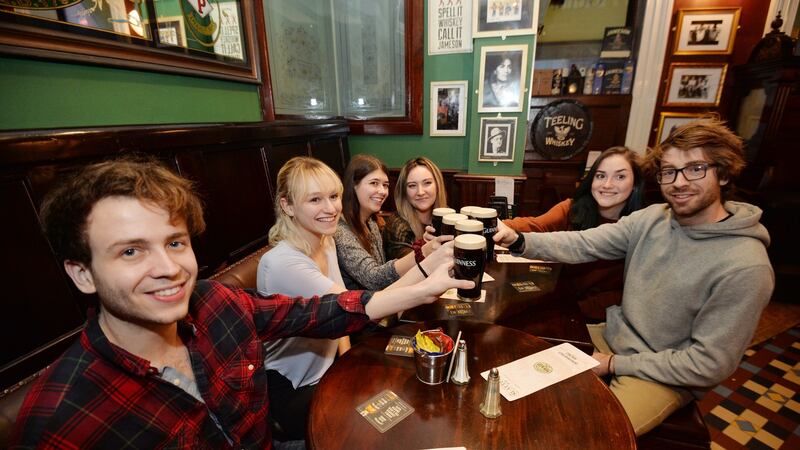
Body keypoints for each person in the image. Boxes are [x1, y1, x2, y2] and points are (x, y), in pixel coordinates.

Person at [11, 155, 471, 448]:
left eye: (175, 243)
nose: (167, 267)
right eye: (130, 251)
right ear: (82, 273)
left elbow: (320, 311)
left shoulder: (215, 304)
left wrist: (425, 285)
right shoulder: (59, 419)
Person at [494, 119, 774, 436]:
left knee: (578, 437)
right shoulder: (653, 218)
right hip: (613, 336)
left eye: (695, 168)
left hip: (662, 374)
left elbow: (709, 364)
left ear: (723, 173)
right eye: (669, 171)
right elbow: (584, 242)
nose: (679, 182)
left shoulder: (746, 266)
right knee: (518, 370)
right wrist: (518, 241)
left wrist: (614, 364)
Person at [259, 156, 453, 442]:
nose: (330, 209)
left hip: (329, 370)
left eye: (334, 197)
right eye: (315, 200)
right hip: (293, 387)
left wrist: (346, 364)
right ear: (287, 205)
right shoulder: (281, 263)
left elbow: (348, 313)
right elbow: (359, 309)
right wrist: (426, 280)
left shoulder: (325, 242)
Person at [503, 146, 645, 321]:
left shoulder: (642, 227)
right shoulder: (573, 208)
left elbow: (628, 296)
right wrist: (491, 224)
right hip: (561, 302)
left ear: (635, 184)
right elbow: (536, 225)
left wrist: (572, 311)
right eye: (600, 176)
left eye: (620, 176)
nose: (607, 185)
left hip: (602, 318)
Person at [335, 155, 451, 290]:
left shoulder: (371, 222)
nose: (382, 191)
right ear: (353, 185)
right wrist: (422, 251)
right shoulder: (341, 231)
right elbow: (374, 280)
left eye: (385, 185)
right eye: (374, 183)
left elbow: (382, 270)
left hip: (386, 299)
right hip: (361, 307)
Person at [383, 156, 448, 260]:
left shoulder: (448, 218)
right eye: (412, 186)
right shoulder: (397, 226)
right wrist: (425, 246)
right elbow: (406, 269)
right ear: (404, 192)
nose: (420, 192)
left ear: (437, 185)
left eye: (427, 183)